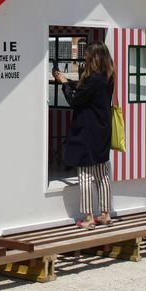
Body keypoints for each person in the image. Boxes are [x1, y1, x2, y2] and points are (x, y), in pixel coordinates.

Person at [52, 41, 115, 230]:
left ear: (94, 57)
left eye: (87, 54)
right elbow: (84, 89)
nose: (84, 57)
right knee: (102, 173)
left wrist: (64, 84)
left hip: (87, 131)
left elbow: (75, 100)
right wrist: (70, 81)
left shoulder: (93, 80)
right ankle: (105, 214)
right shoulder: (107, 77)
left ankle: (88, 218)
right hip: (102, 130)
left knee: (86, 175)